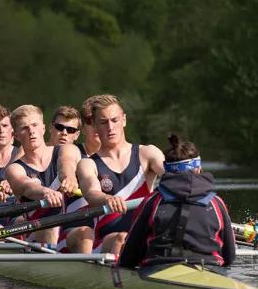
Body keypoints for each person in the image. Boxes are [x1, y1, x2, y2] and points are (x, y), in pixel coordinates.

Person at [118, 135, 236, 269]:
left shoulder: (152, 202)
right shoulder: (216, 203)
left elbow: (129, 257)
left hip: (158, 268)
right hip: (209, 268)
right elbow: (230, 256)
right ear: (198, 168)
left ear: (167, 171)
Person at [76, 94, 165, 254]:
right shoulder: (88, 164)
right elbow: (91, 193)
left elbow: (171, 175)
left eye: (114, 120)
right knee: (122, 239)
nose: (110, 127)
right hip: (105, 241)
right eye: (103, 122)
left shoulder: (147, 153)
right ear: (94, 125)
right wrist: (107, 198)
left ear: (124, 120)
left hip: (142, 235)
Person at [5, 105, 65, 245]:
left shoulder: (65, 151)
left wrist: (69, 178)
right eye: (25, 128)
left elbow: (67, 165)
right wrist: (46, 192)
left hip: (73, 226)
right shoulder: (14, 169)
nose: (31, 131)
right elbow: (27, 186)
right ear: (16, 136)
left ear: (43, 128)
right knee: (51, 227)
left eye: (34, 125)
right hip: (39, 232)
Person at [56, 98, 101, 253]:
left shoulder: (134, 154)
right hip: (75, 232)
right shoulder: (72, 150)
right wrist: (69, 177)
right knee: (86, 234)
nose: (96, 126)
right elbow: (66, 164)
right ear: (83, 128)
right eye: (90, 121)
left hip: (111, 231)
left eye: (101, 120)